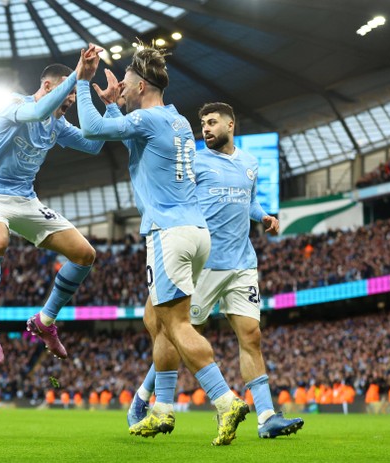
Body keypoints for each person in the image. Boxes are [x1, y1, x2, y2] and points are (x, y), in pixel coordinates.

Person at [76, 44, 248, 446]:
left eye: (127, 87)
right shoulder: (176, 121)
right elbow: (137, 144)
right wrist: (117, 107)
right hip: (195, 231)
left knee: (176, 323)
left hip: (168, 233)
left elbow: (90, 129)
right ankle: (163, 409)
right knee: (156, 321)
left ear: (140, 86)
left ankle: (225, 400)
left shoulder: (149, 119)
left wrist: (85, 85)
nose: (123, 90)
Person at [127, 102, 304, 439]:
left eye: (211, 122)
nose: (205, 128)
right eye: (203, 124)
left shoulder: (250, 164)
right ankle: (144, 398)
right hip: (204, 264)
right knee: (177, 335)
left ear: (230, 124)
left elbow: (249, 201)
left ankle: (266, 416)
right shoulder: (193, 161)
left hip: (242, 263)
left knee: (252, 336)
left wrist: (263, 216)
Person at [0, 44, 107, 365]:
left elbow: (93, 146)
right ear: (47, 87)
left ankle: (44, 321)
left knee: (85, 254)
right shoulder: (16, 105)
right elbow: (38, 112)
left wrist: (110, 108)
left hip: (25, 199)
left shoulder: (57, 123)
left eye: (70, 102)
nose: (67, 105)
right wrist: (77, 76)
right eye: (65, 97)